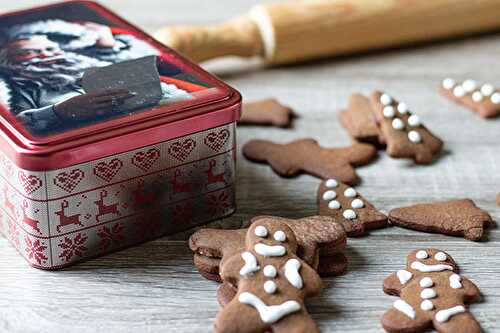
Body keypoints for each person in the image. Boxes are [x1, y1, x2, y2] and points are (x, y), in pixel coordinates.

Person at [0, 20, 195, 135]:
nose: (46, 55)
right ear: (8, 61)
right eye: (30, 52)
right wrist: (60, 111)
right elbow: (15, 126)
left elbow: (165, 86)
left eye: (50, 49)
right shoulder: (17, 87)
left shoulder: (92, 65)